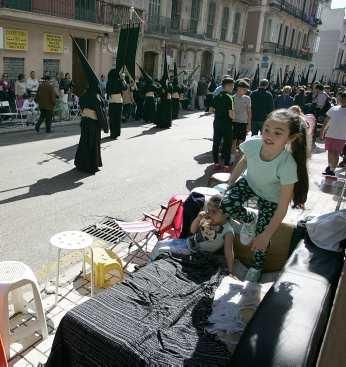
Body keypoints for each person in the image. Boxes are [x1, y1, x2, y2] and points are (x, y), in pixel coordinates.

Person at [221, 109, 309, 282]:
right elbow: (244, 161)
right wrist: (230, 182)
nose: (269, 135)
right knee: (227, 203)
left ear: (290, 138)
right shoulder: (253, 144)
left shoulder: (287, 164)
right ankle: (250, 219)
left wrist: (266, 235)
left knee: (261, 238)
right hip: (250, 184)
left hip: (271, 199)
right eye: (267, 129)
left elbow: (283, 205)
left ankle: (256, 267)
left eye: (278, 133)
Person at [150, 195, 235, 275]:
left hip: (196, 252)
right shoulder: (208, 219)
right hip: (188, 243)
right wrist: (198, 219)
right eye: (208, 210)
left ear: (226, 214)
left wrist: (231, 271)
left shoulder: (228, 231)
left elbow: (229, 252)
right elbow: (193, 230)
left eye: (214, 212)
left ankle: (151, 269)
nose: (210, 214)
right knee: (160, 244)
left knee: (163, 250)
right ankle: (149, 265)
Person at [210, 77, 235, 172]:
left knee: (216, 143)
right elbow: (231, 114)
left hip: (217, 123)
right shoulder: (230, 97)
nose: (233, 88)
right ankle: (226, 165)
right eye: (232, 86)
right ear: (227, 86)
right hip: (227, 124)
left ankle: (216, 163)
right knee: (227, 144)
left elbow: (211, 110)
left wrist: (219, 112)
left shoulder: (216, 96)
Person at [321, 91, 346, 176]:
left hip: (341, 137)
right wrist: (322, 131)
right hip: (330, 134)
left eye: (345, 99)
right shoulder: (334, 108)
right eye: (342, 98)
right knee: (330, 152)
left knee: (335, 153)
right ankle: (330, 167)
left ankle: (332, 170)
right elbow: (326, 120)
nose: (343, 100)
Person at [106, 69, 127, 139]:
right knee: (118, 118)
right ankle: (117, 133)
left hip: (111, 101)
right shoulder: (120, 81)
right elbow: (125, 88)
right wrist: (123, 79)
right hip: (118, 101)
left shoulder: (109, 82)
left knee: (112, 118)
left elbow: (107, 91)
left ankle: (112, 133)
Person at [233, 79, 252, 151]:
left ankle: (239, 158)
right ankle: (232, 157)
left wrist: (249, 124)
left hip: (243, 122)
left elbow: (249, 112)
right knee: (233, 141)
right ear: (238, 88)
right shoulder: (233, 98)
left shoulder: (247, 98)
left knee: (242, 141)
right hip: (234, 122)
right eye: (243, 89)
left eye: (246, 90)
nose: (244, 91)